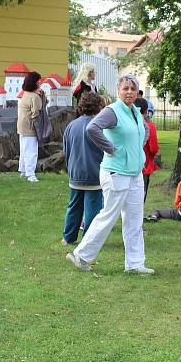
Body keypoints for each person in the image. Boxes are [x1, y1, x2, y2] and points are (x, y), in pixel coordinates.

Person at [66, 74, 154, 274]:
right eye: (125, 88)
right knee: (108, 215)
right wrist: (111, 148)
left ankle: (135, 264)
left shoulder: (134, 112)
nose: (129, 92)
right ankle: (82, 255)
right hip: (116, 172)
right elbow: (92, 128)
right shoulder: (113, 111)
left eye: (133, 88)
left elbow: (143, 131)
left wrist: (137, 150)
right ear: (118, 90)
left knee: (134, 218)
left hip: (134, 173)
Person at [61, 91, 105, 246]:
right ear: (98, 106)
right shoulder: (99, 126)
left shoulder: (71, 126)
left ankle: (68, 237)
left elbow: (65, 150)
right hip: (94, 173)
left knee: (74, 206)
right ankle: (89, 239)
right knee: (93, 208)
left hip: (75, 173)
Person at [17, 71, 44, 183]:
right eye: (39, 80)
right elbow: (36, 113)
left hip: (22, 126)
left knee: (24, 150)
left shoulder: (25, 94)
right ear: (35, 83)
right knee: (31, 151)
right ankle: (30, 174)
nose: (40, 82)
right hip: (30, 128)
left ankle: (23, 171)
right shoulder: (35, 96)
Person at [136, 97, 159, 202]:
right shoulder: (149, 126)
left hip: (126, 166)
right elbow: (154, 148)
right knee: (141, 194)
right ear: (146, 111)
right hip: (144, 166)